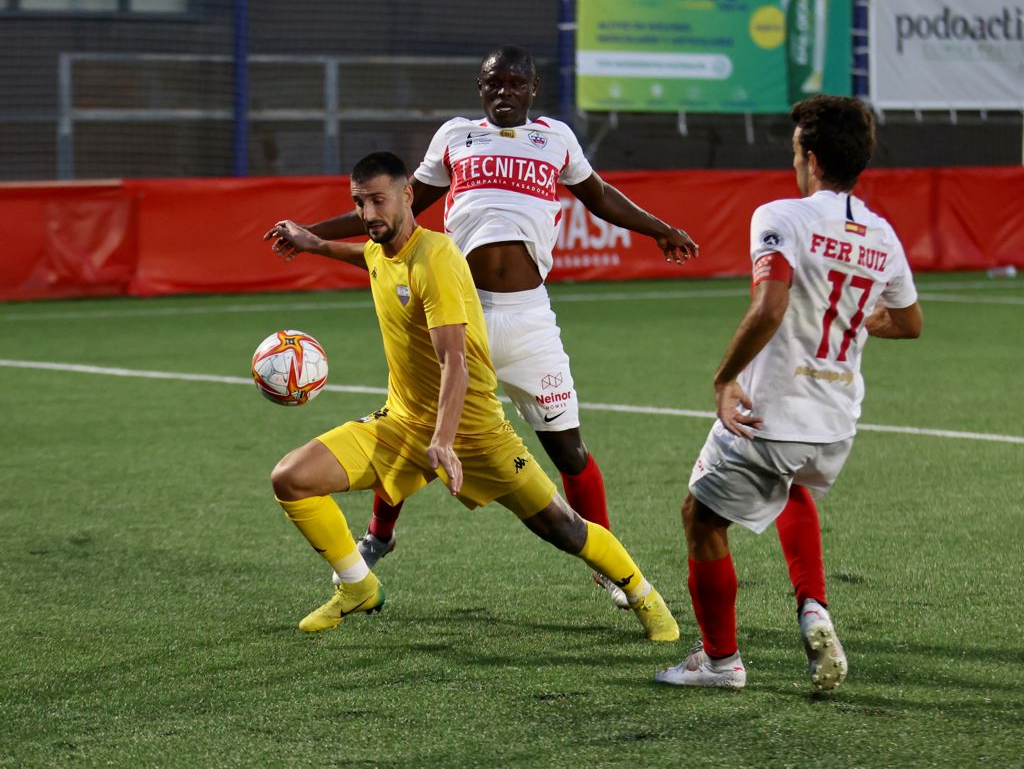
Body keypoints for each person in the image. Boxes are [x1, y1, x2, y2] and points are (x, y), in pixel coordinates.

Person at [266, 44, 698, 609]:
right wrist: (312, 232)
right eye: (493, 83)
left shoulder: (557, 139)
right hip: (457, 313)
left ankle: (611, 568)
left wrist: (659, 228)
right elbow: (391, 208)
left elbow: (600, 197)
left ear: (533, 89)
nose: (504, 91)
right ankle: (380, 536)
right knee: (412, 424)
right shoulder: (454, 137)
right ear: (480, 88)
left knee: (568, 452)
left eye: (515, 83)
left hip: (528, 321)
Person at [654, 96, 923, 690]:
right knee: (791, 486)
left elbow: (770, 305)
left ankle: (721, 662)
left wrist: (724, 380)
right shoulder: (882, 234)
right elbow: (909, 322)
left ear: (811, 157)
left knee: (701, 518)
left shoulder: (782, 215)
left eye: (796, 148)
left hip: (771, 411)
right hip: (836, 422)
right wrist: (856, 318)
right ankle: (813, 608)